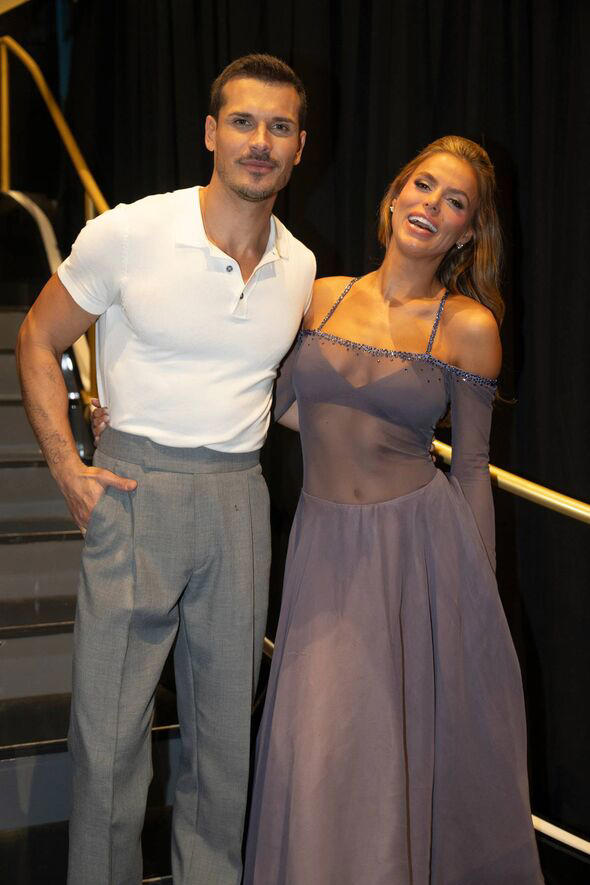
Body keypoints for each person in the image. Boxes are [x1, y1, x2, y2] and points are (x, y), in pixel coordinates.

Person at [16, 54, 315, 885]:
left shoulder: (301, 266)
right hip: (134, 490)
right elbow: (37, 336)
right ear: (211, 133)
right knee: (109, 742)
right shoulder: (130, 232)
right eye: (244, 122)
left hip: (238, 499)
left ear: (300, 147)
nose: (260, 142)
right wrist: (69, 466)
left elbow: (281, 392)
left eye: (280, 127)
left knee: (224, 747)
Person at [240, 135, 544, 883]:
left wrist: (476, 605)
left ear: (467, 232)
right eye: (423, 185)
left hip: (414, 554)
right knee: (315, 744)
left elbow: (470, 469)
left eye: (455, 202)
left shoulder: (469, 327)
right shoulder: (319, 294)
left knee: (382, 749)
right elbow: (267, 403)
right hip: (323, 544)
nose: (431, 205)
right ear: (396, 194)